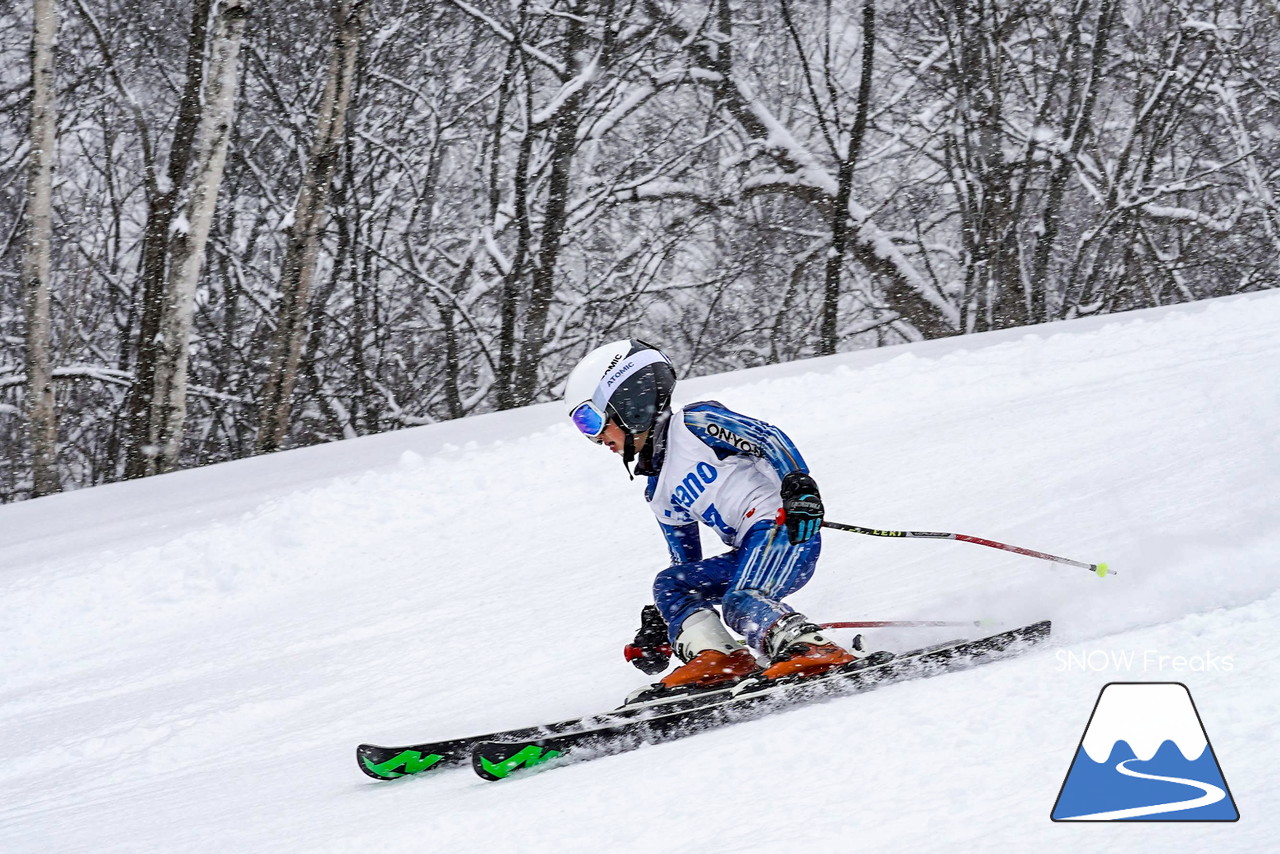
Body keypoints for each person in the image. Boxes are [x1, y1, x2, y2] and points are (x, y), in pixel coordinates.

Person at [563, 338, 864, 700]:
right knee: (670, 583)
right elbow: (686, 564)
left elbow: (767, 438)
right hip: (748, 553)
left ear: (630, 406)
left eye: (591, 420)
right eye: (584, 428)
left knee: (740, 600)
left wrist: (798, 486)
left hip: (784, 528)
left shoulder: (695, 424)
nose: (596, 438)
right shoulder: (658, 492)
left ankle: (813, 649)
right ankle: (720, 659)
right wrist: (666, 620)